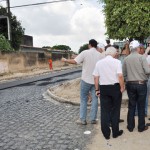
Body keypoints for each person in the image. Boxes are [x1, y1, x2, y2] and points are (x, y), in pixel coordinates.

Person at [62, 39, 104, 125]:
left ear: (89, 45)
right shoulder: (100, 55)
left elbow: (75, 61)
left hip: (85, 80)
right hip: (96, 81)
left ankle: (83, 119)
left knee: (84, 99)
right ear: (96, 46)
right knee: (95, 99)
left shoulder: (85, 52)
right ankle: (93, 119)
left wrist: (65, 60)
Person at [93, 47, 125, 139]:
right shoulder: (117, 62)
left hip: (104, 88)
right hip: (115, 88)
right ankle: (115, 132)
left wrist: (97, 90)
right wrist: (122, 87)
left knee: (104, 111)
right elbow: (120, 75)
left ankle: (106, 134)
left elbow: (96, 77)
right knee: (115, 110)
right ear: (114, 54)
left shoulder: (99, 63)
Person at [123, 40, 150, 132]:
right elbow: (147, 71)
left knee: (131, 106)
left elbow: (124, 74)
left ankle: (130, 127)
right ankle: (141, 127)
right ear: (138, 48)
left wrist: (128, 80)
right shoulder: (141, 58)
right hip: (141, 84)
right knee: (141, 106)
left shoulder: (126, 59)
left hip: (130, 84)